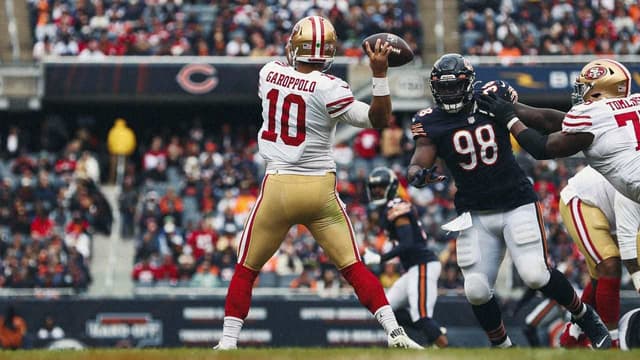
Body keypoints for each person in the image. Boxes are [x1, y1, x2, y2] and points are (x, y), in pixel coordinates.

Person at [214, 15, 421, 350]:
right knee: (353, 267)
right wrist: (380, 75)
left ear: (296, 47)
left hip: (278, 188)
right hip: (318, 190)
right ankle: (395, 332)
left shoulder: (269, 74)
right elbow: (378, 120)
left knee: (246, 270)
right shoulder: (331, 88)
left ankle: (227, 341)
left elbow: (290, 70)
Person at [407, 53, 611, 348]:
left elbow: (540, 118)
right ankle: (502, 347)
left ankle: (583, 314)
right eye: (444, 87)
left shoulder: (492, 99)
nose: (449, 93)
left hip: (516, 202)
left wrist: (576, 122)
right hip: (474, 212)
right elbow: (419, 158)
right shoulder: (430, 121)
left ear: (469, 84)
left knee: (535, 274)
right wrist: (417, 173)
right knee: (476, 289)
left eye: (455, 86)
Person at [477, 59, 640, 293]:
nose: (580, 94)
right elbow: (554, 121)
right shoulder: (629, 106)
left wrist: (509, 119)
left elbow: (541, 148)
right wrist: (512, 108)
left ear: (601, 91)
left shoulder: (594, 116)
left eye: (586, 88)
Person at [364, 167, 448, 348]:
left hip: (423, 264)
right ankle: (433, 332)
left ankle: (445, 348)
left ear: (391, 186)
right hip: (413, 268)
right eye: (374, 186)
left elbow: (408, 243)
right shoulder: (388, 208)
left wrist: (381, 258)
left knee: (422, 316)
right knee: (386, 309)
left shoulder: (396, 206)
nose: (377, 190)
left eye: (381, 186)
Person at [558, 166, 630, 348]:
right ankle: (611, 341)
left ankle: (574, 332)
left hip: (612, 210)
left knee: (602, 278)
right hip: (582, 200)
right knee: (609, 266)